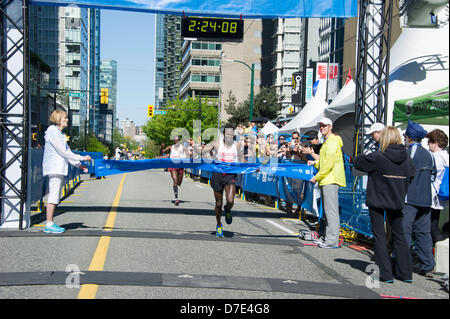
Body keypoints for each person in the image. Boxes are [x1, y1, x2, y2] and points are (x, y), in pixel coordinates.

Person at [353, 126, 415, 283]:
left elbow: (358, 161)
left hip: (378, 199)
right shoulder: (406, 158)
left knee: (380, 235)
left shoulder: (379, 156)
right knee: (399, 235)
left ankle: (385, 273)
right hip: (397, 199)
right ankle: (405, 273)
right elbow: (412, 175)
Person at [42, 110, 91, 234]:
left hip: (58, 167)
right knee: (53, 195)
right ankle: (49, 223)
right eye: (65, 118)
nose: (67, 120)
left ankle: (50, 223)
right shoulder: (53, 132)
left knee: (55, 195)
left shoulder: (59, 133)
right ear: (58, 119)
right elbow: (63, 152)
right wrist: (82, 158)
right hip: (54, 167)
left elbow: (67, 152)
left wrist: (79, 165)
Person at [402, 120, 437, 278]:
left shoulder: (410, 153)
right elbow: (433, 175)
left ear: (409, 137)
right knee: (424, 233)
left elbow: (404, 174)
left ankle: (402, 263)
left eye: (405, 136)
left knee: (405, 231)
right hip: (425, 198)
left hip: (411, 198)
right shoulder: (429, 154)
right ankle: (428, 265)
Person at [309, 118, 346, 248]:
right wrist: (315, 163)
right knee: (328, 211)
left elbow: (328, 164)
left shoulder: (331, 142)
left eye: (324, 126)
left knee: (331, 211)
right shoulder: (327, 142)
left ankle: (331, 240)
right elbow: (324, 162)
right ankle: (327, 237)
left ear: (330, 127)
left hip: (330, 179)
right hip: (327, 179)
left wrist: (316, 177)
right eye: (320, 126)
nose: (322, 128)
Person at [202, 124, 241, 238]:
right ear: (224, 134)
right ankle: (219, 225)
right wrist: (209, 156)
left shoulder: (237, 145)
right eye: (227, 133)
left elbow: (243, 159)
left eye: (231, 133)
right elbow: (203, 151)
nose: (229, 135)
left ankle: (228, 210)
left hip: (230, 175)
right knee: (218, 203)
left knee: (230, 201)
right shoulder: (216, 143)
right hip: (217, 175)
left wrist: (253, 166)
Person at [426, 129, 449, 244]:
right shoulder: (446, 156)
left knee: (432, 227)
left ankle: (437, 255)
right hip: (441, 196)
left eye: (429, 141)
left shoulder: (436, 157)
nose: (427, 144)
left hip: (433, 195)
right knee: (433, 224)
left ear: (435, 143)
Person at [162, 135, 190, 206]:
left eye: (177, 140)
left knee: (179, 183)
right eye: (175, 140)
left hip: (180, 166)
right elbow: (162, 152)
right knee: (175, 181)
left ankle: (176, 191)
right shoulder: (170, 147)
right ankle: (176, 198)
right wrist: (162, 147)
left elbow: (189, 155)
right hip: (173, 166)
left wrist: (186, 157)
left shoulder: (183, 147)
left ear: (179, 141)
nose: (176, 141)